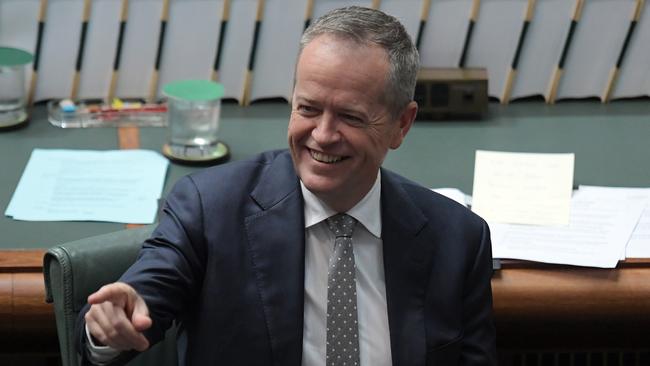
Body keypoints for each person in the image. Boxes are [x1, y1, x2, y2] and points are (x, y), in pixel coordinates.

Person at [77, 6, 496, 366]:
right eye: (308, 109)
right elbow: (143, 296)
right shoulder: (210, 209)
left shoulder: (458, 238)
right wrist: (109, 326)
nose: (323, 135)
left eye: (350, 117)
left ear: (401, 124)